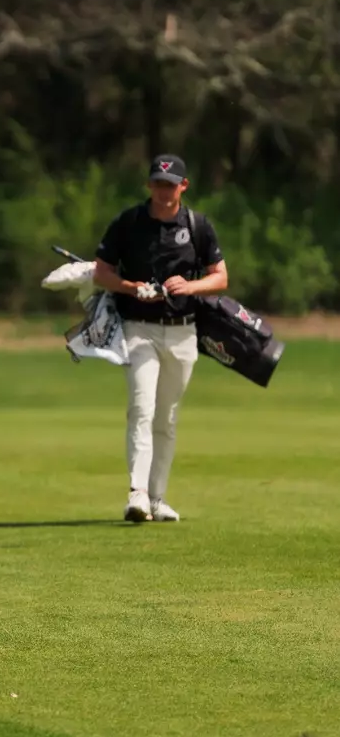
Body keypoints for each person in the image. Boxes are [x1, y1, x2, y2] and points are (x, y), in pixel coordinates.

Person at [92, 154, 229, 523]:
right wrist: (130, 287)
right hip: (139, 329)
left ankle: (157, 498)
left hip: (183, 331)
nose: (163, 191)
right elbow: (101, 272)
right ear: (149, 184)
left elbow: (220, 277)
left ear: (183, 186)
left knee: (166, 418)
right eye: (157, 183)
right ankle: (136, 493)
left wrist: (190, 285)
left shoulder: (198, 226)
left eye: (170, 185)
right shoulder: (129, 223)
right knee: (141, 407)